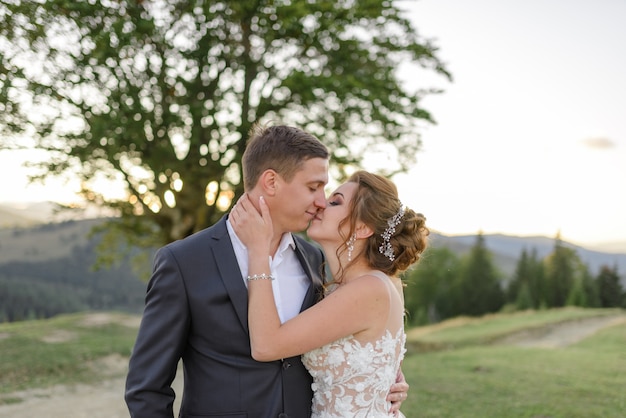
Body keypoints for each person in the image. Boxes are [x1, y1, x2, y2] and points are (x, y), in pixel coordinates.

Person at [125, 124, 409, 418]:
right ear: (271, 182)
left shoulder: (315, 259)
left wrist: (384, 382)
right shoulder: (184, 262)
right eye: (313, 187)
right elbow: (146, 388)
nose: (321, 201)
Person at [230, 170, 429, 417]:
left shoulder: (369, 289)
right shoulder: (357, 285)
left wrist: (258, 251)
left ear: (364, 227)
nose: (321, 204)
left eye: (335, 202)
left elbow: (266, 346)